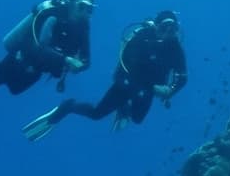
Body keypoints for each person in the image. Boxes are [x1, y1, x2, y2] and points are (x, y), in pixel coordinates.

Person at [24, 10, 187, 140]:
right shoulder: (143, 38)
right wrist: (154, 87)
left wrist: (171, 90)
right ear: (156, 27)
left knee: (137, 119)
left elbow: (183, 76)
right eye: (164, 27)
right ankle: (67, 106)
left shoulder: (175, 49)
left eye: (173, 29)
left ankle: (124, 107)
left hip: (149, 89)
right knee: (96, 114)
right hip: (126, 83)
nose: (168, 33)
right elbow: (129, 63)